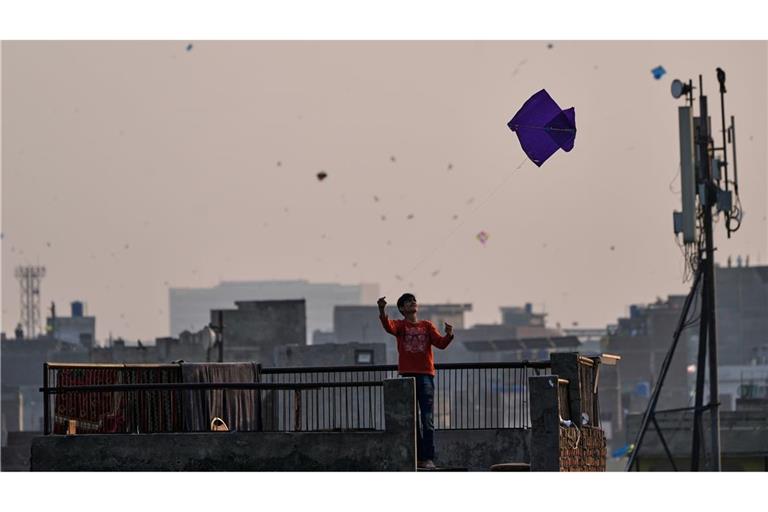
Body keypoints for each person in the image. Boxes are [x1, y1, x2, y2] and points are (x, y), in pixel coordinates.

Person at [378, 293, 454, 469]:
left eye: (414, 300)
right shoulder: (400, 325)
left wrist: (449, 334)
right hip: (407, 376)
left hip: (426, 375)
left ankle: (428, 458)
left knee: (427, 419)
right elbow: (388, 327)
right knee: (411, 420)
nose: (413, 303)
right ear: (402, 309)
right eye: (408, 302)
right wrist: (382, 309)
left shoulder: (427, 326)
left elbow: (440, 344)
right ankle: (419, 457)